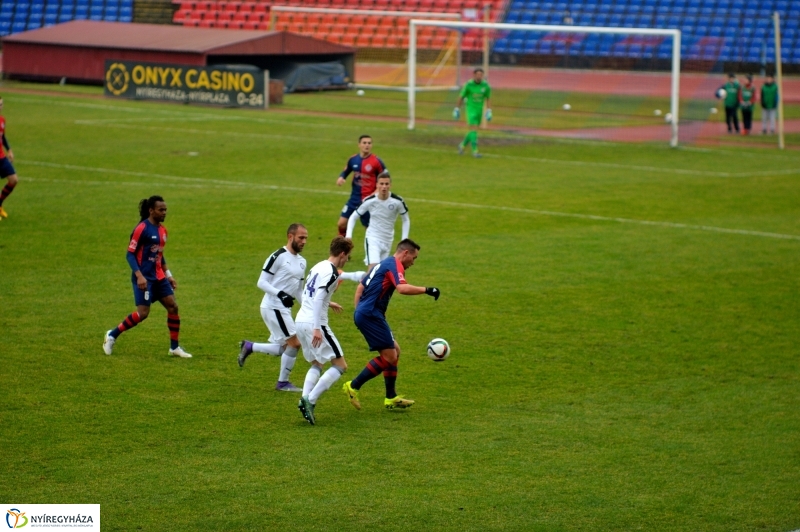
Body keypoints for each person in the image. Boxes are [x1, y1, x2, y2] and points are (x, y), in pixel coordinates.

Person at [342, 239, 440, 411]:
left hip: (369, 314)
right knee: (389, 357)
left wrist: (359, 313)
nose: (413, 262)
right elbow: (402, 288)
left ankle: (390, 397)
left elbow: (360, 287)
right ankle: (353, 386)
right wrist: (427, 290)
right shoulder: (395, 265)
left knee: (395, 351)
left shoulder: (382, 264)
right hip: (371, 315)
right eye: (414, 258)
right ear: (405, 253)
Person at [103, 196, 192, 358]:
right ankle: (112, 335)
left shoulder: (162, 231)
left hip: (158, 277)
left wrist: (169, 275)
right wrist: (139, 276)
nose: (164, 213)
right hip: (144, 278)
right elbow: (130, 254)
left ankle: (174, 348)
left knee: (173, 306)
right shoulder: (141, 228)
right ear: (151, 210)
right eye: (161, 210)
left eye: (165, 210)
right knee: (143, 313)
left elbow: (159, 255)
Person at [238, 223, 308, 392]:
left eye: (306, 238)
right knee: (295, 344)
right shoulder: (278, 256)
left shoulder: (302, 262)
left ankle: (249, 346)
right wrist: (281, 294)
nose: (304, 241)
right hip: (273, 306)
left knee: (284, 348)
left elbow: (299, 290)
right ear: (290, 237)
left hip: (282, 308)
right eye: (301, 237)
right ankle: (282, 383)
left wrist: (311, 305)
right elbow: (261, 282)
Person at [296, 236, 355, 425]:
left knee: (317, 362)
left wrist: (329, 303)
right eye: (348, 257)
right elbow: (319, 297)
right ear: (342, 254)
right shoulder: (332, 273)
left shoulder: (318, 266)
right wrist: (316, 328)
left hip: (300, 320)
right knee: (340, 365)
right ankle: (310, 400)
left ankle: (304, 399)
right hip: (315, 323)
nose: (347, 260)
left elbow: (309, 293)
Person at [345, 173, 410, 268]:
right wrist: (348, 235)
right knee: (373, 269)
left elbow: (406, 220)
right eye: (381, 184)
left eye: (386, 184)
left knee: (380, 273)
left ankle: (353, 277)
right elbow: (353, 216)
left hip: (388, 240)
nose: (384, 187)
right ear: (377, 185)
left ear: (390, 185)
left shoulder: (398, 201)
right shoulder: (370, 201)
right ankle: (346, 276)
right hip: (373, 238)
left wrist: (404, 239)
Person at [336, 135, 389, 237]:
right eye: (364, 143)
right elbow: (346, 171)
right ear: (359, 145)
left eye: (369, 143)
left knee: (369, 230)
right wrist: (341, 178)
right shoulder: (353, 159)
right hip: (354, 199)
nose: (367, 145)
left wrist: (376, 193)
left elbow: (386, 179)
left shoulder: (376, 161)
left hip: (369, 201)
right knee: (341, 223)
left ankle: (373, 249)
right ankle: (342, 249)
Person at [454, 68, 492, 158]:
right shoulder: (468, 85)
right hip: (470, 109)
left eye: (481, 75)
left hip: (479, 110)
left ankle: (462, 146)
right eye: (477, 74)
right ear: (474, 75)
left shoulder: (485, 86)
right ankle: (475, 151)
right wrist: (457, 108)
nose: (479, 76)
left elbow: (488, 98)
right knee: (474, 129)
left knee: (473, 130)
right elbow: (461, 96)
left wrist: (489, 110)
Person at [0, 96, 18, 220]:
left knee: (13, 180)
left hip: (1, 157)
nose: (1, 106)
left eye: (1, 104)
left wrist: (9, 150)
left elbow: (3, 137)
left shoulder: (2, 120)